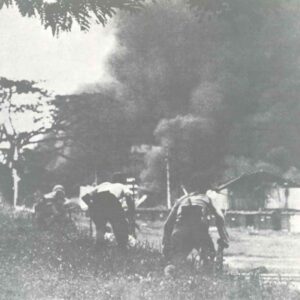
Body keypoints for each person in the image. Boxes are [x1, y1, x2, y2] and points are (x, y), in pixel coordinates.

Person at [162, 187, 229, 269]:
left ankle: (172, 273)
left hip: (180, 231)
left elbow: (168, 224)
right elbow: (220, 217)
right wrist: (224, 237)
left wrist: (165, 245)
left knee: (175, 261)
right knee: (209, 258)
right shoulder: (207, 198)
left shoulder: (180, 200)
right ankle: (207, 273)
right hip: (199, 230)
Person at [81, 173, 134, 250]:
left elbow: (85, 197)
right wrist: (131, 212)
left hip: (97, 201)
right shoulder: (122, 186)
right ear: (123, 181)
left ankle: (98, 247)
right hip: (111, 199)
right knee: (120, 224)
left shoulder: (104, 184)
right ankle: (122, 246)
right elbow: (128, 196)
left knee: (100, 227)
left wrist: (92, 207)